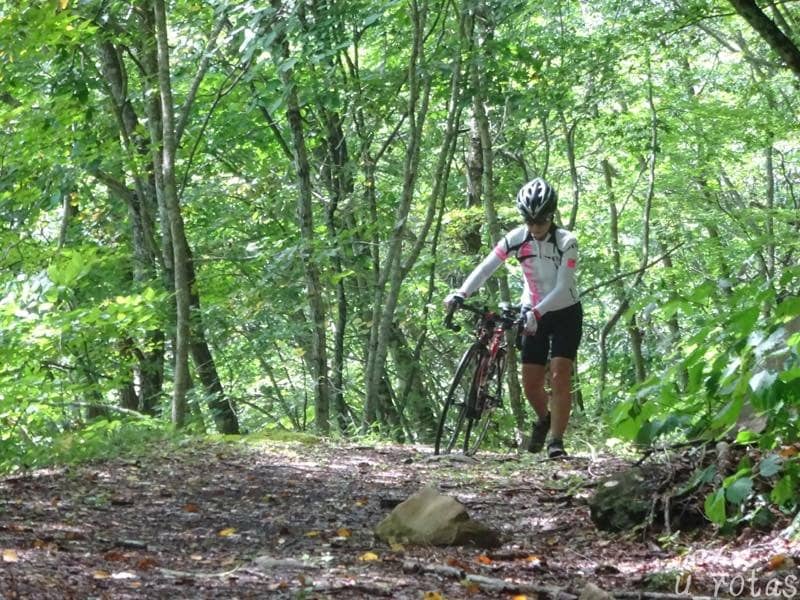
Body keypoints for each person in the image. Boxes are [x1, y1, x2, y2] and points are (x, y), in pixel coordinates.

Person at [444, 178, 583, 458]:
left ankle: (556, 441)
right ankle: (544, 419)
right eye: (529, 221)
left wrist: (537, 312)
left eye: (540, 222)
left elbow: (561, 287)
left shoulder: (566, 242)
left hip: (565, 311)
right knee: (530, 383)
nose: (535, 228)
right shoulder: (516, 239)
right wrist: (461, 293)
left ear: (551, 216)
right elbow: (486, 268)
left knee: (559, 374)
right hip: (532, 310)